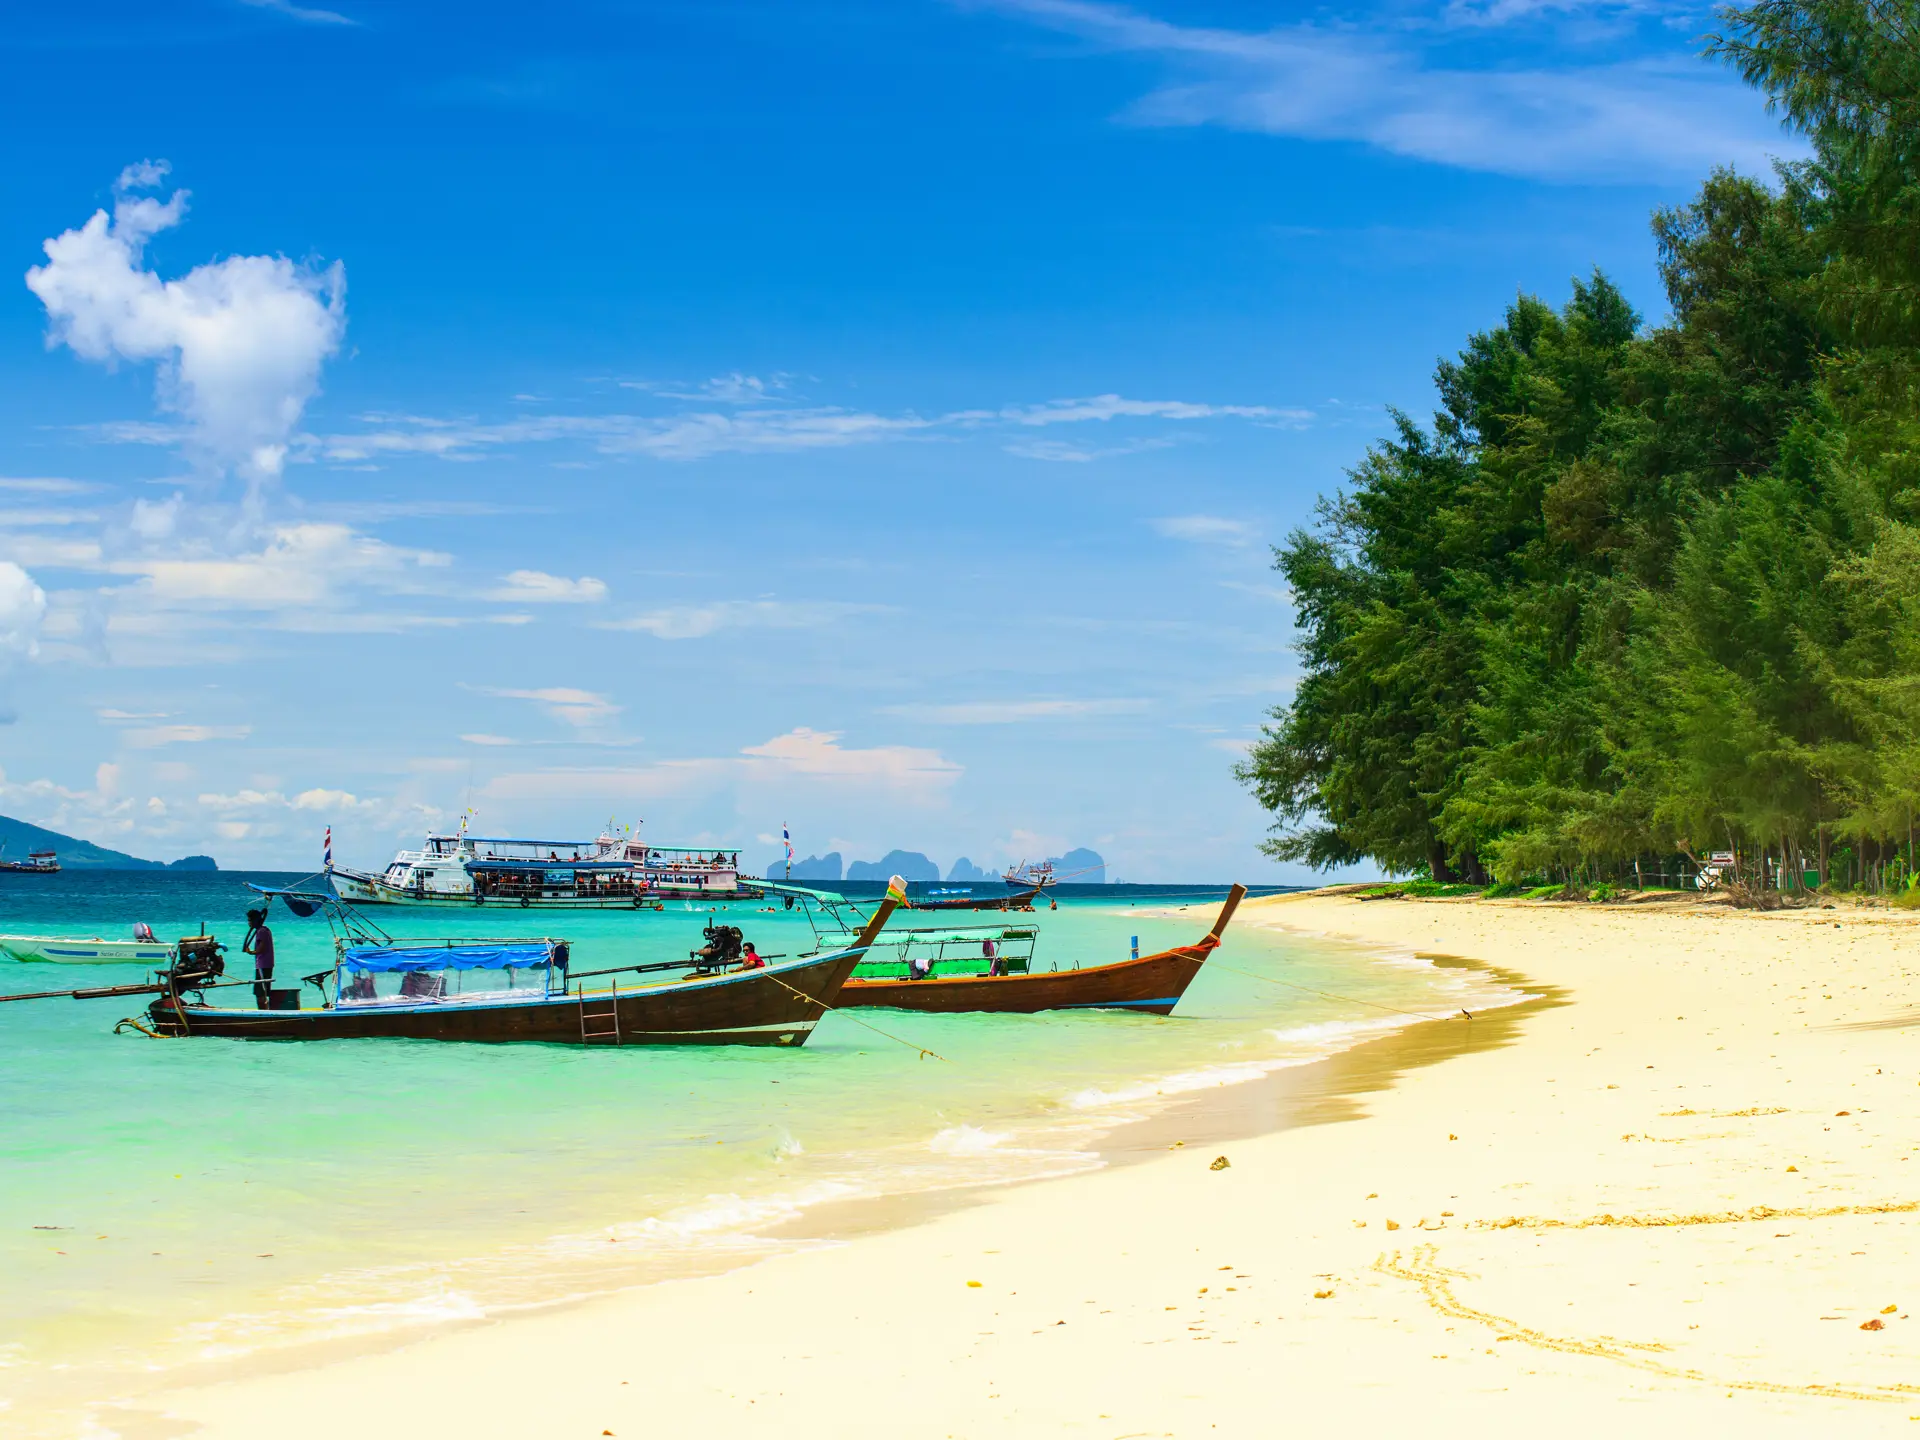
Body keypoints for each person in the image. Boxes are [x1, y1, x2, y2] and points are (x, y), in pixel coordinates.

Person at [243, 907, 275, 1009]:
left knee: (260, 992)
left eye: (249, 920)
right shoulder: (265, 930)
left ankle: (263, 1011)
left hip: (263, 964)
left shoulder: (261, 931)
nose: (248, 923)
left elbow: (261, 948)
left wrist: (251, 952)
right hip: (266, 964)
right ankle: (266, 1009)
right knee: (263, 990)